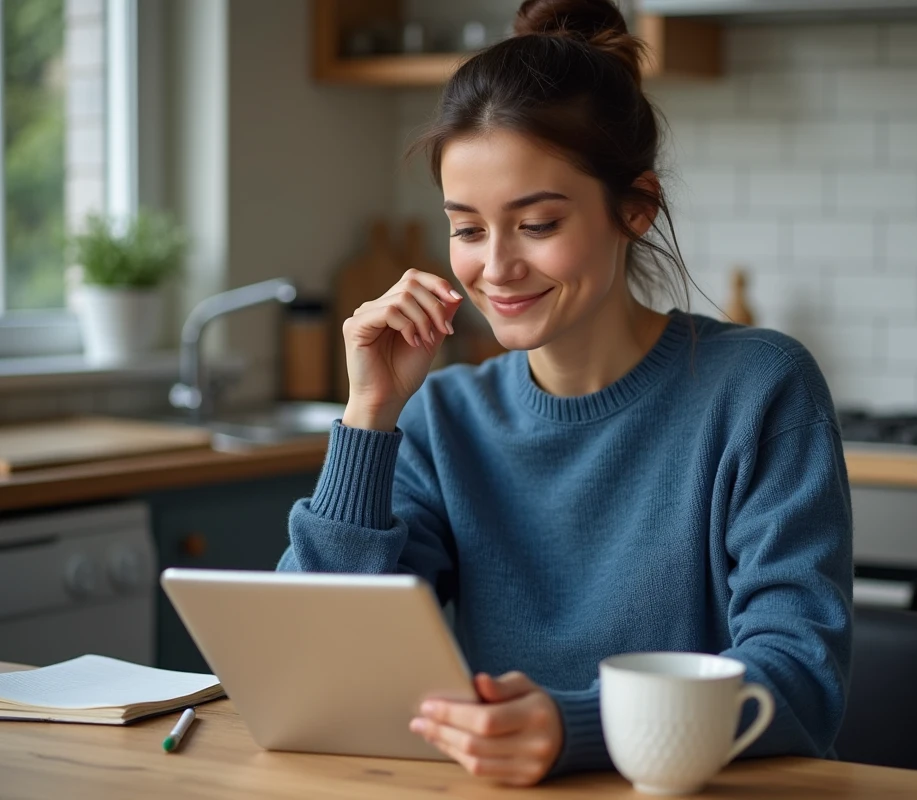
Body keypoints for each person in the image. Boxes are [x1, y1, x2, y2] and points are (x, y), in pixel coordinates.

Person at [278, 0, 852, 787]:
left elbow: (799, 680)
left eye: (538, 224)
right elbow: (311, 657)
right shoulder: (447, 418)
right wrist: (369, 417)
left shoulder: (760, 389)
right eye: (469, 230)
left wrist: (576, 728)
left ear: (636, 208)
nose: (496, 268)